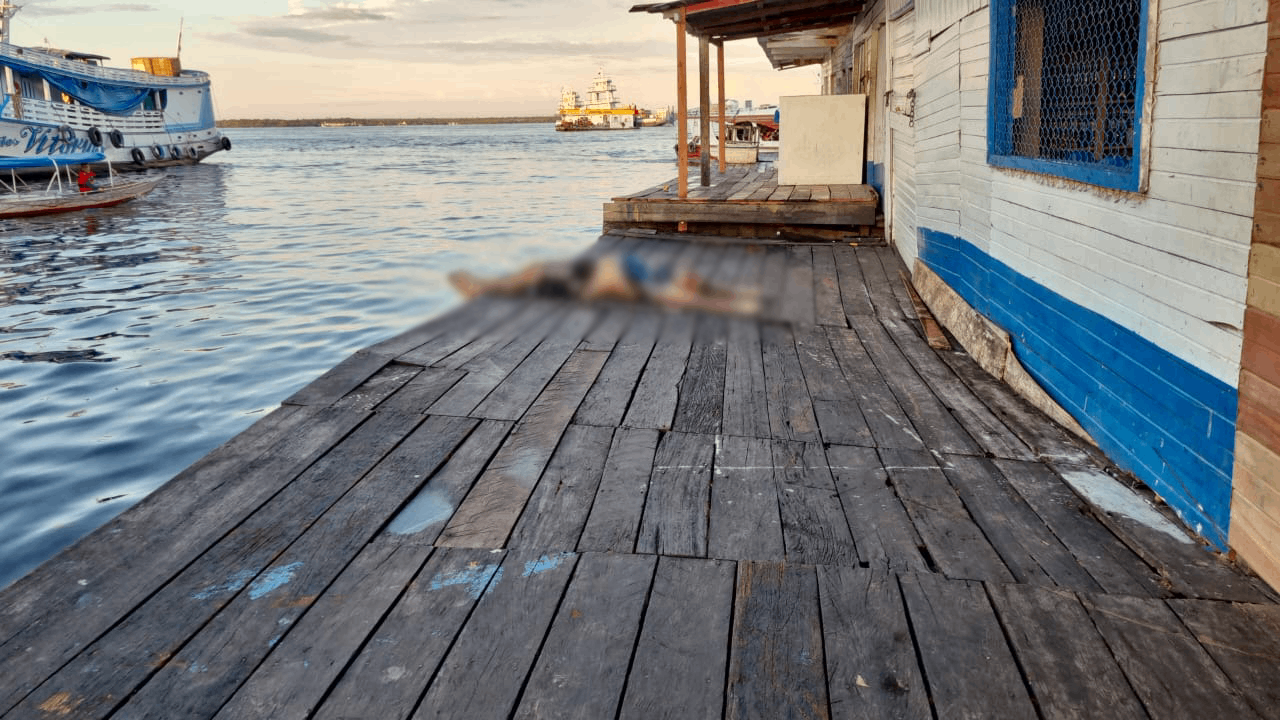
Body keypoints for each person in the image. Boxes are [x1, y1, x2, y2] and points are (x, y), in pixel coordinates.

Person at [448, 252, 759, 315]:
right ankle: (483, 285)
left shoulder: (663, 288)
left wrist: (735, 305)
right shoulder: (668, 278)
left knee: (532, 274)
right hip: (605, 271)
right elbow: (696, 293)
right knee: (533, 271)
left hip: (606, 275)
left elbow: (689, 299)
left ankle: (483, 287)